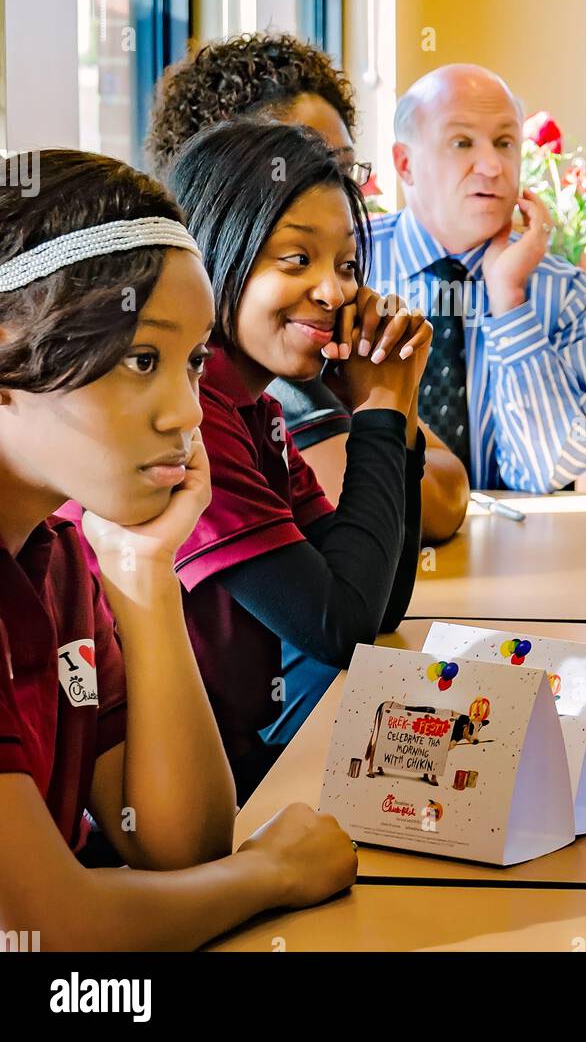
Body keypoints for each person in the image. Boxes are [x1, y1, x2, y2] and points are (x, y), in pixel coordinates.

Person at [0, 149, 356, 951]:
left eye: (193, 362)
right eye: (140, 360)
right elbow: (46, 932)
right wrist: (275, 873)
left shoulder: (57, 555)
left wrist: (142, 577)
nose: (185, 415)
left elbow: (177, 846)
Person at [66, 119, 431, 799]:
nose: (334, 292)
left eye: (347, 266)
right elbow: (338, 626)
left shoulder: (251, 411)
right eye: (296, 260)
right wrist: (379, 412)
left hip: (233, 775)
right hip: (151, 806)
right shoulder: (192, 420)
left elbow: (377, 604)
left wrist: (394, 412)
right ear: (212, 254)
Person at [147, 31, 468, 543]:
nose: (330, 188)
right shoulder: (210, 397)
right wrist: (383, 405)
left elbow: (446, 493)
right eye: (297, 161)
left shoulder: (274, 384)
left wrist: (390, 396)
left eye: (342, 167)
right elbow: (417, 519)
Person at [369, 63, 586, 492]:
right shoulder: (353, 268)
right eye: (462, 142)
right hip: (372, 545)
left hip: (514, 551)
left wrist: (509, 299)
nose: (492, 166)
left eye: (505, 143)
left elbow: (548, 473)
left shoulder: (563, 292)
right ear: (405, 164)